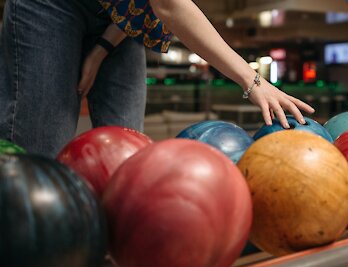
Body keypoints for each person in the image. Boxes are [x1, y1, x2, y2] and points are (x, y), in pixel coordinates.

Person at [0, 0, 314, 158]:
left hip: (115, 19)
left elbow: (140, 6)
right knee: (41, 151)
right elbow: (169, 5)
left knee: (127, 152)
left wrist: (102, 48)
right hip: (51, 5)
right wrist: (253, 80)